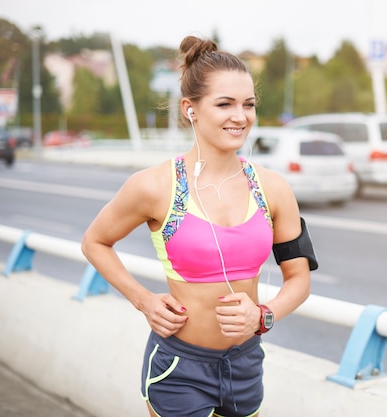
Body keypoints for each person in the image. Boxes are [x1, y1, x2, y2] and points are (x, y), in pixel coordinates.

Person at [81, 35, 317, 417]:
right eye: (224, 104)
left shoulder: (273, 188)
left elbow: (300, 279)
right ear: (191, 109)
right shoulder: (154, 185)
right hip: (180, 369)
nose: (240, 117)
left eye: (248, 104)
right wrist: (144, 300)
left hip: (246, 367)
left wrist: (263, 315)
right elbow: (94, 242)